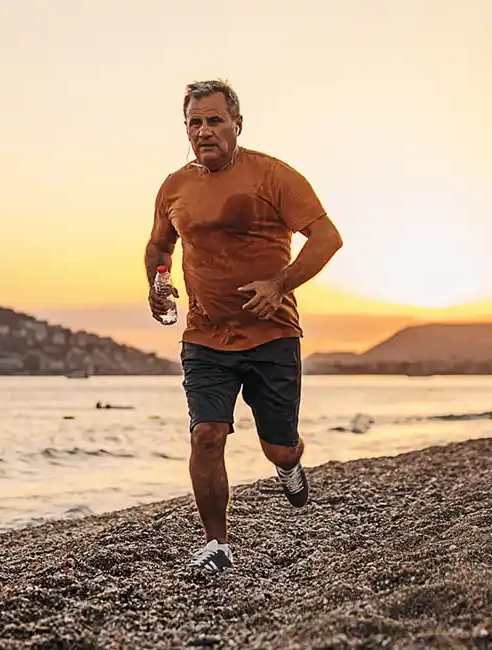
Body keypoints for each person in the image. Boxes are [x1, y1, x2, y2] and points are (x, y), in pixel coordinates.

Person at [144, 79, 345, 576]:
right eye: (195, 122)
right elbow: (158, 247)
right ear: (185, 128)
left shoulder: (273, 176)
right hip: (205, 336)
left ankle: (290, 463)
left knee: (277, 444)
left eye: (214, 120)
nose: (204, 130)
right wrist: (159, 284)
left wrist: (280, 284)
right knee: (207, 435)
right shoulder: (174, 186)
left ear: (237, 123)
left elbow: (326, 238)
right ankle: (217, 543)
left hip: (272, 334)